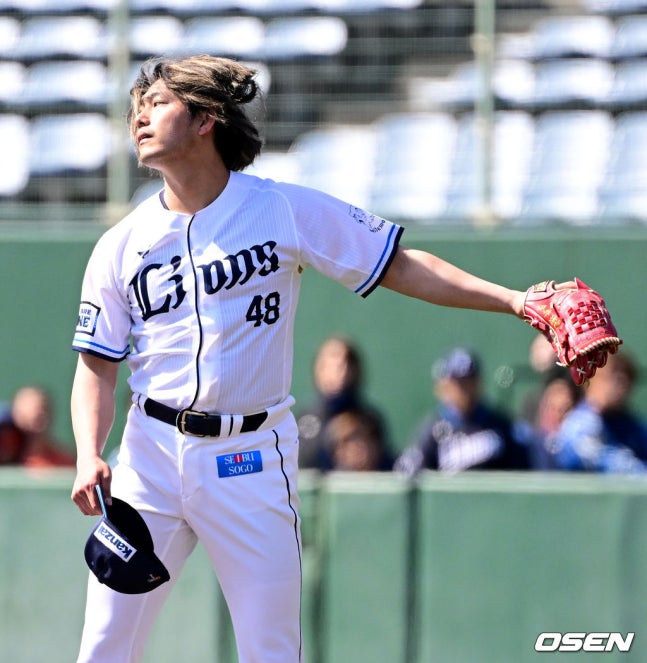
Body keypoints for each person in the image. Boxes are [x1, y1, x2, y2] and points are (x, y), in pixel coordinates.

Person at [69, 55, 554, 663]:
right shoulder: (119, 245)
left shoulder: (279, 208)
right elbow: (96, 365)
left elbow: (399, 264)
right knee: (103, 646)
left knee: (272, 650)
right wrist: (89, 452)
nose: (139, 116)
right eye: (136, 107)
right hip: (150, 459)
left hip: (247, 456)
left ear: (205, 118)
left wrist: (514, 300)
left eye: (158, 103)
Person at [394, 347, 532, 474]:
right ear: (444, 385)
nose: (464, 389)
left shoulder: (500, 425)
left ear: (479, 383)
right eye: (458, 383)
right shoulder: (432, 430)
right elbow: (412, 468)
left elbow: (521, 469)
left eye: (469, 381)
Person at [295, 335, 389, 470]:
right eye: (332, 366)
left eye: (346, 364)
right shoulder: (303, 419)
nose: (341, 371)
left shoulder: (370, 420)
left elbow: (386, 464)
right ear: (319, 369)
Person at [551, 351, 647, 473]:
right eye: (613, 378)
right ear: (592, 380)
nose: (620, 386)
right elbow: (586, 458)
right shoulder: (580, 423)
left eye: (625, 379)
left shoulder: (631, 426)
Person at [514, 366, 581, 470]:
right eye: (551, 407)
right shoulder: (523, 441)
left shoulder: (578, 446)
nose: (556, 415)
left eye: (564, 410)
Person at [0, 385, 75, 468]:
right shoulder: (6, 450)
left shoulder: (62, 462)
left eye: (44, 408)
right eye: (30, 407)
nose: (40, 413)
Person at [322, 409, 395, 471]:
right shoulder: (328, 481)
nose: (357, 446)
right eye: (347, 440)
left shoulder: (397, 472)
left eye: (358, 437)